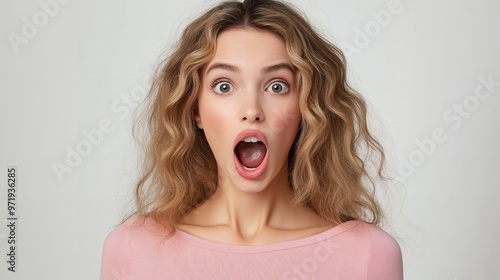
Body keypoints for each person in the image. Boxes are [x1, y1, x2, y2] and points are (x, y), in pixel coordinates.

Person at [100, 0, 403, 279]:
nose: (252, 111)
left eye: (276, 86)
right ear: (195, 110)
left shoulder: (368, 254)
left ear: (306, 107)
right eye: (223, 86)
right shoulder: (133, 249)